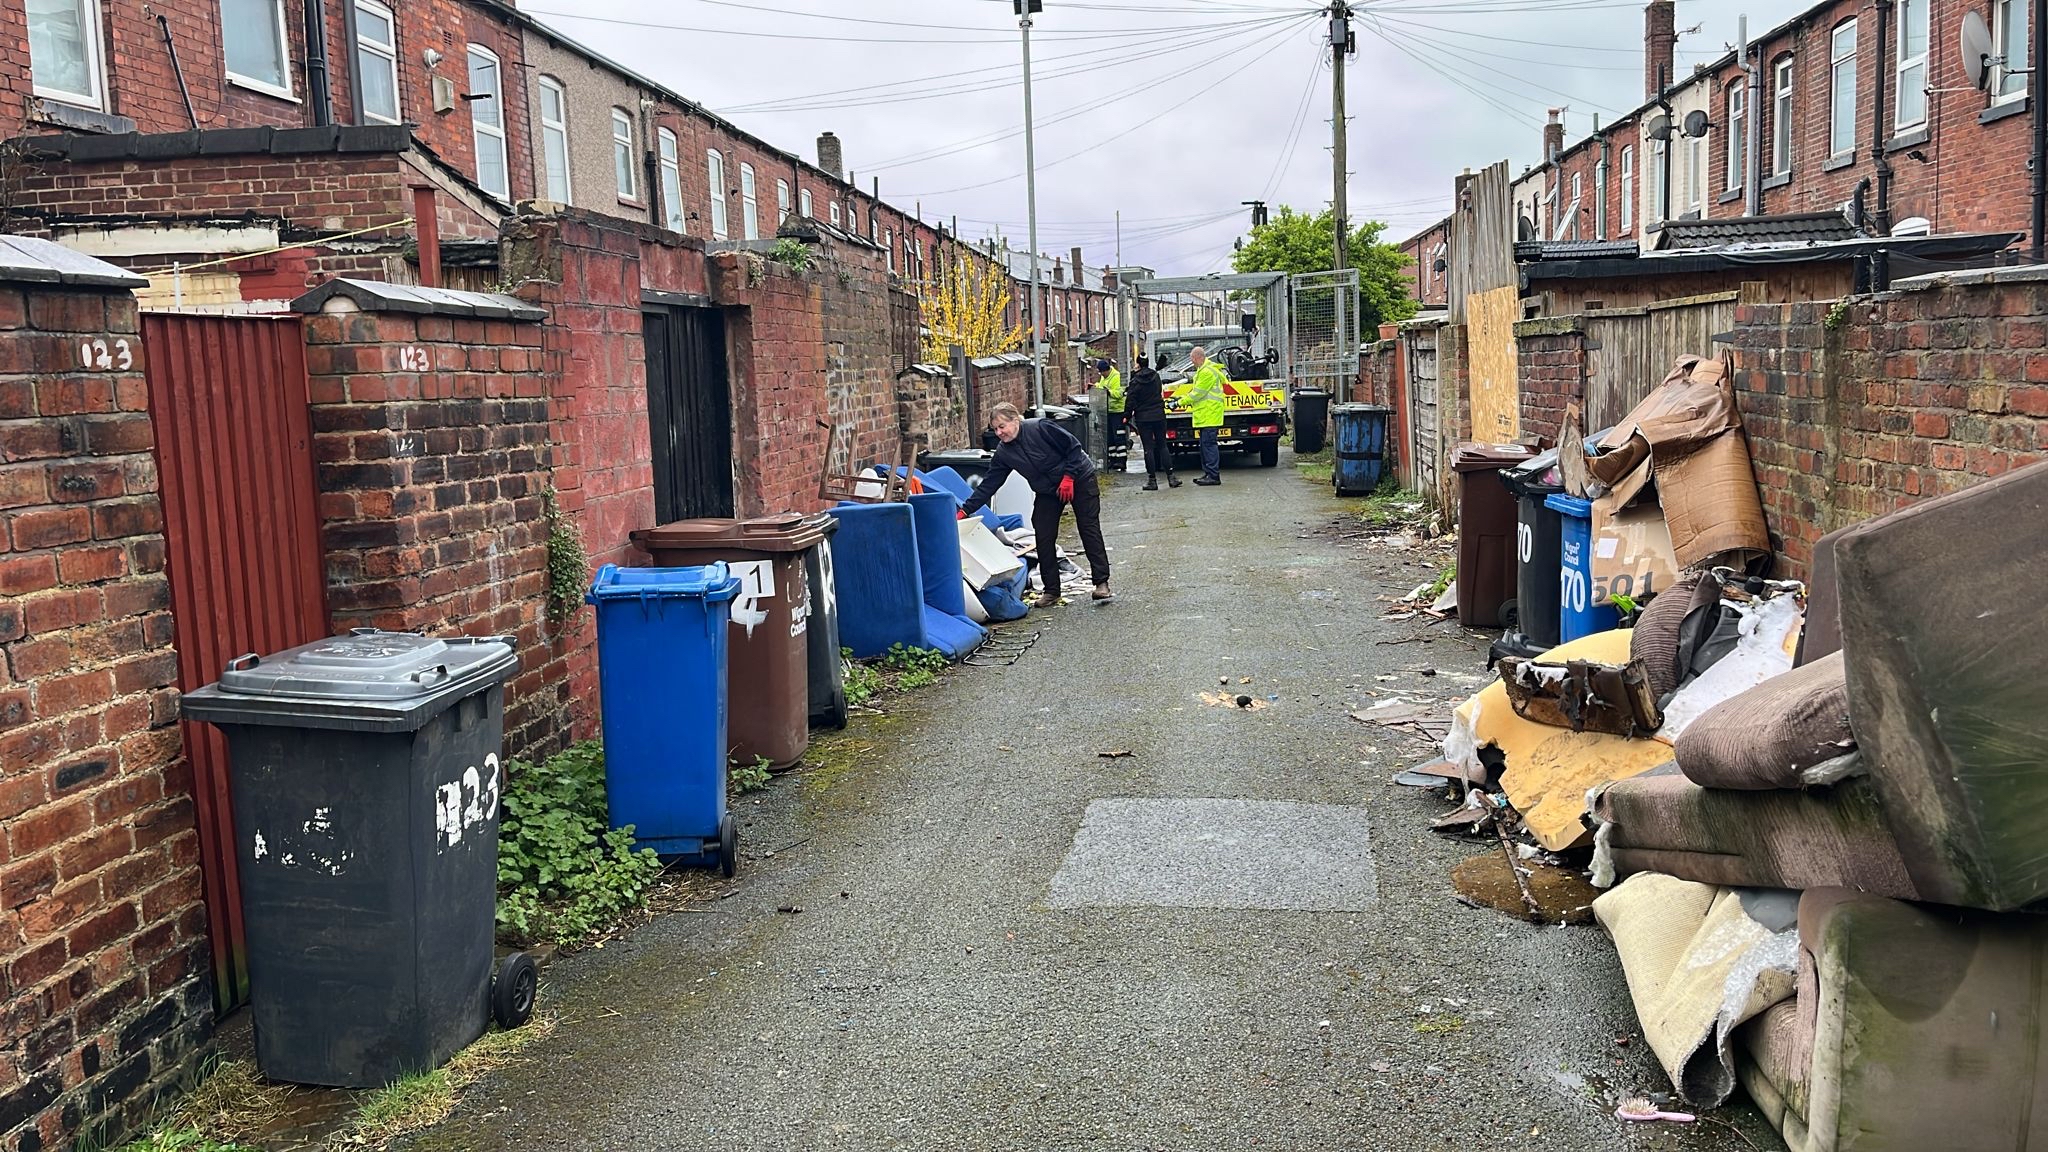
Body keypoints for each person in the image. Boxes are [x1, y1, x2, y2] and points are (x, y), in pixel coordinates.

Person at [959, 402, 1111, 605]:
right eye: (995, 429)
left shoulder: (1040, 428)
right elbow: (990, 484)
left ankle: (1101, 583)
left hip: (1079, 478)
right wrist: (965, 510)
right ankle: (1051, 591)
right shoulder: (1004, 453)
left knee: (1088, 528)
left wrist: (1069, 477)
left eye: (1002, 426)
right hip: (1048, 490)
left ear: (1015, 420)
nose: (999, 433)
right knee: (1043, 534)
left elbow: (1073, 447)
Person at [1175, 345, 1229, 486]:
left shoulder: (1206, 372)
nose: (1192, 361)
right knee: (1205, 446)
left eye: (1192, 358)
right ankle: (1208, 473)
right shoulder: (1205, 370)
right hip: (1207, 415)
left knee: (1209, 446)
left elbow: (1197, 394)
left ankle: (1213, 475)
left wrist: (1179, 402)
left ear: (1199, 357)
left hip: (1209, 414)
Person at [1124, 353, 1176, 490]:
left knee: (1148, 448)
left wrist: (1127, 415)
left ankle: (1152, 480)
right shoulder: (1156, 376)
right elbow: (1159, 392)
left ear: (1138, 364)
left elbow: (1131, 399)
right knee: (1163, 445)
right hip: (1159, 415)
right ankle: (1171, 477)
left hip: (1143, 418)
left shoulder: (1135, 381)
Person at [1093, 358, 1128, 474]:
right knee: (1110, 437)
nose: (1101, 374)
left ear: (1106, 370)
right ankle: (1112, 460)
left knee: (1119, 436)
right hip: (1108, 410)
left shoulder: (1117, 377)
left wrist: (1108, 392)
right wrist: (1095, 386)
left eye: (1102, 372)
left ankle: (1121, 461)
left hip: (1118, 411)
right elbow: (1102, 386)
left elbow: (1119, 393)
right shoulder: (1104, 377)